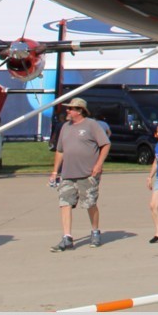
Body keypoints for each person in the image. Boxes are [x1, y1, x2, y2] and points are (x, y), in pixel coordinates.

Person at [49, 96, 110, 251]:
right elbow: (60, 151)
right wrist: (55, 171)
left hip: (87, 174)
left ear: (80, 111)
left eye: (70, 108)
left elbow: (105, 144)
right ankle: (67, 237)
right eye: (67, 108)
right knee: (65, 203)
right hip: (68, 174)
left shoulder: (91, 125)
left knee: (90, 203)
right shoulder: (65, 127)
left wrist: (98, 165)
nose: (67, 111)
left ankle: (95, 232)